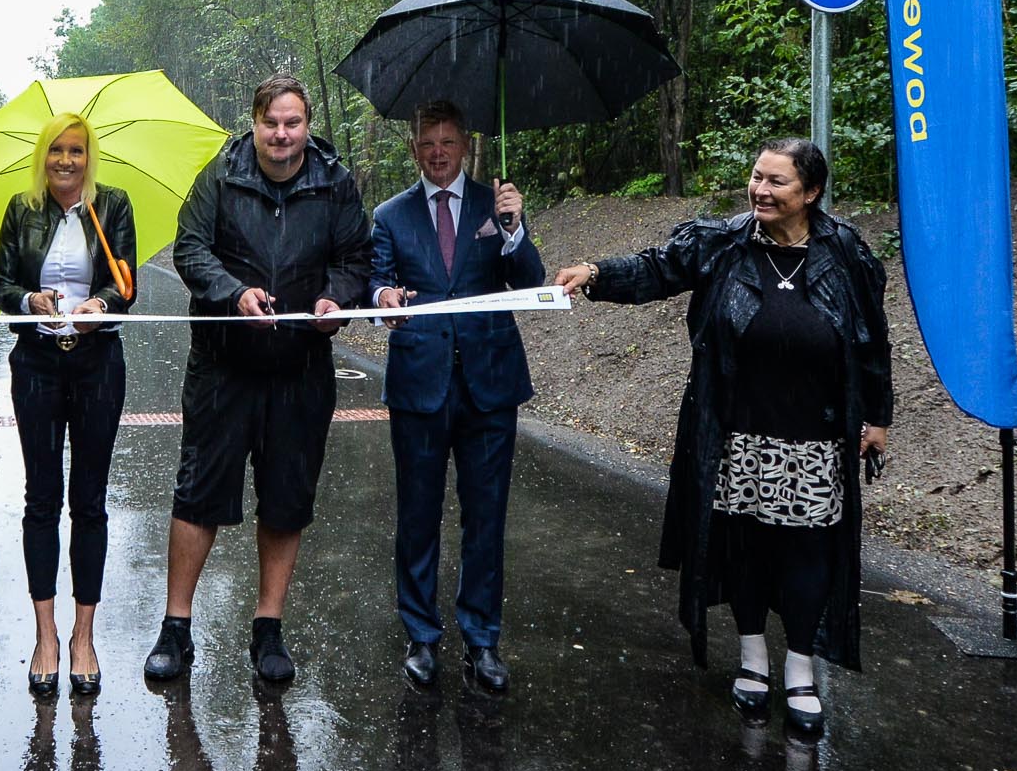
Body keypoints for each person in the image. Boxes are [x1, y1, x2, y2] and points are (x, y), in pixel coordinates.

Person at [554, 137, 892, 734]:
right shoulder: (723, 242)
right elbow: (659, 268)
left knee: (808, 554)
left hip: (815, 438)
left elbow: (871, 343)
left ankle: (801, 670)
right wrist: (598, 274)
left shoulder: (847, 255)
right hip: (737, 431)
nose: (760, 189)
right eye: (757, 177)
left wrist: (877, 418)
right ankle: (753, 660)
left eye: (777, 182)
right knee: (747, 548)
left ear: (810, 192)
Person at [145, 74, 371, 684]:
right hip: (223, 365)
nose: (281, 134)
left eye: (292, 123)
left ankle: (268, 629)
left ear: (307, 125)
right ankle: (176, 627)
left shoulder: (336, 182)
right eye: (271, 122)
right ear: (254, 122)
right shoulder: (219, 175)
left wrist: (334, 301)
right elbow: (189, 251)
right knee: (199, 494)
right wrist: (232, 293)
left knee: (286, 498)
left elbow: (356, 260)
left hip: (301, 368)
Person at [370, 100, 544, 691]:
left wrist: (515, 228)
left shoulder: (495, 207)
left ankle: (482, 639)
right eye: (427, 143)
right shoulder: (390, 216)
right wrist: (384, 299)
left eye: (448, 141)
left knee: (485, 518)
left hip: (490, 383)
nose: (438, 153)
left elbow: (528, 284)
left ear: (465, 145)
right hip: (420, 384)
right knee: (418, 516)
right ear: (414, 148)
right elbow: (378, 282)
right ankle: (421, 635)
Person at [0, 113, 137, 696]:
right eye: (56, 151)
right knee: (42, 497)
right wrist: (30, 298)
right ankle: (45, 634)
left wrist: (101, 303)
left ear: (88, 156)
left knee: (91, 501)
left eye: (76, 151)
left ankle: (84, 635)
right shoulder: (21, 209)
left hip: (98, 364)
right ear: (42, 158)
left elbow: (126, 285)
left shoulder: (113, 205)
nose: (66, 161)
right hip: (37, 365)